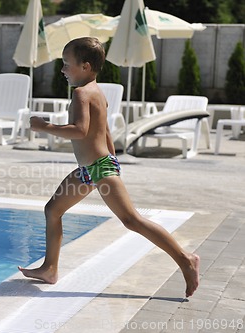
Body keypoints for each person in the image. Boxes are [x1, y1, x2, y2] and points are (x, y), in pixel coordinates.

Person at [18, 37, 200, 297]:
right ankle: (50, 268)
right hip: (90, 170)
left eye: (66, 64)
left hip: (98, 169)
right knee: (53, 210)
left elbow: (80, 131)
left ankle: (186, 259)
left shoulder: (82, 93)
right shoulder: (97, 91)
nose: (63, 69)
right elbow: (103, 131)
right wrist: (112, 158)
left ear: (86, 66)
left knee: (132, 220)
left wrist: (43, 126)